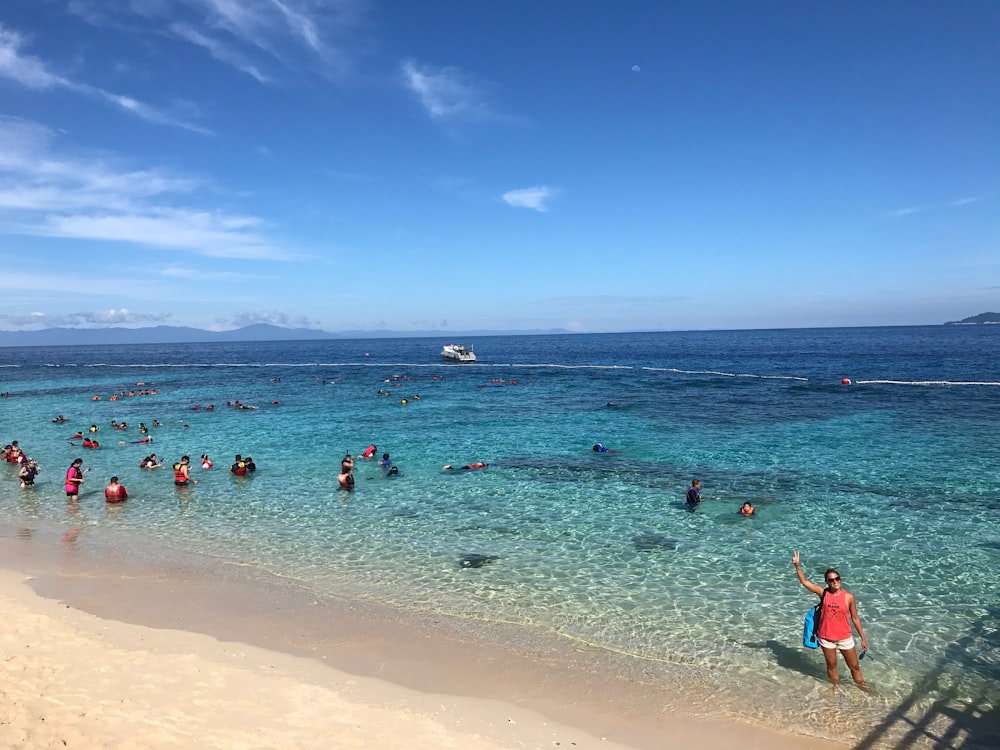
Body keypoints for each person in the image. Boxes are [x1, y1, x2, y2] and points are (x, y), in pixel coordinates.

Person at [792, 551, 870, 692]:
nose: (835, 582)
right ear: (826, 582)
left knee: (854, 666)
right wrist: (797, 565)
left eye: (837, 579)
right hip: (826, 637)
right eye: (831, 580)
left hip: (845, 637)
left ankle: (862, 687)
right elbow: (804, 582)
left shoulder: (849, 597)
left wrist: (863, 639)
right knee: (831, 665)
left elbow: (855, 618)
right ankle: (835, 687)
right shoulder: (823, 593)